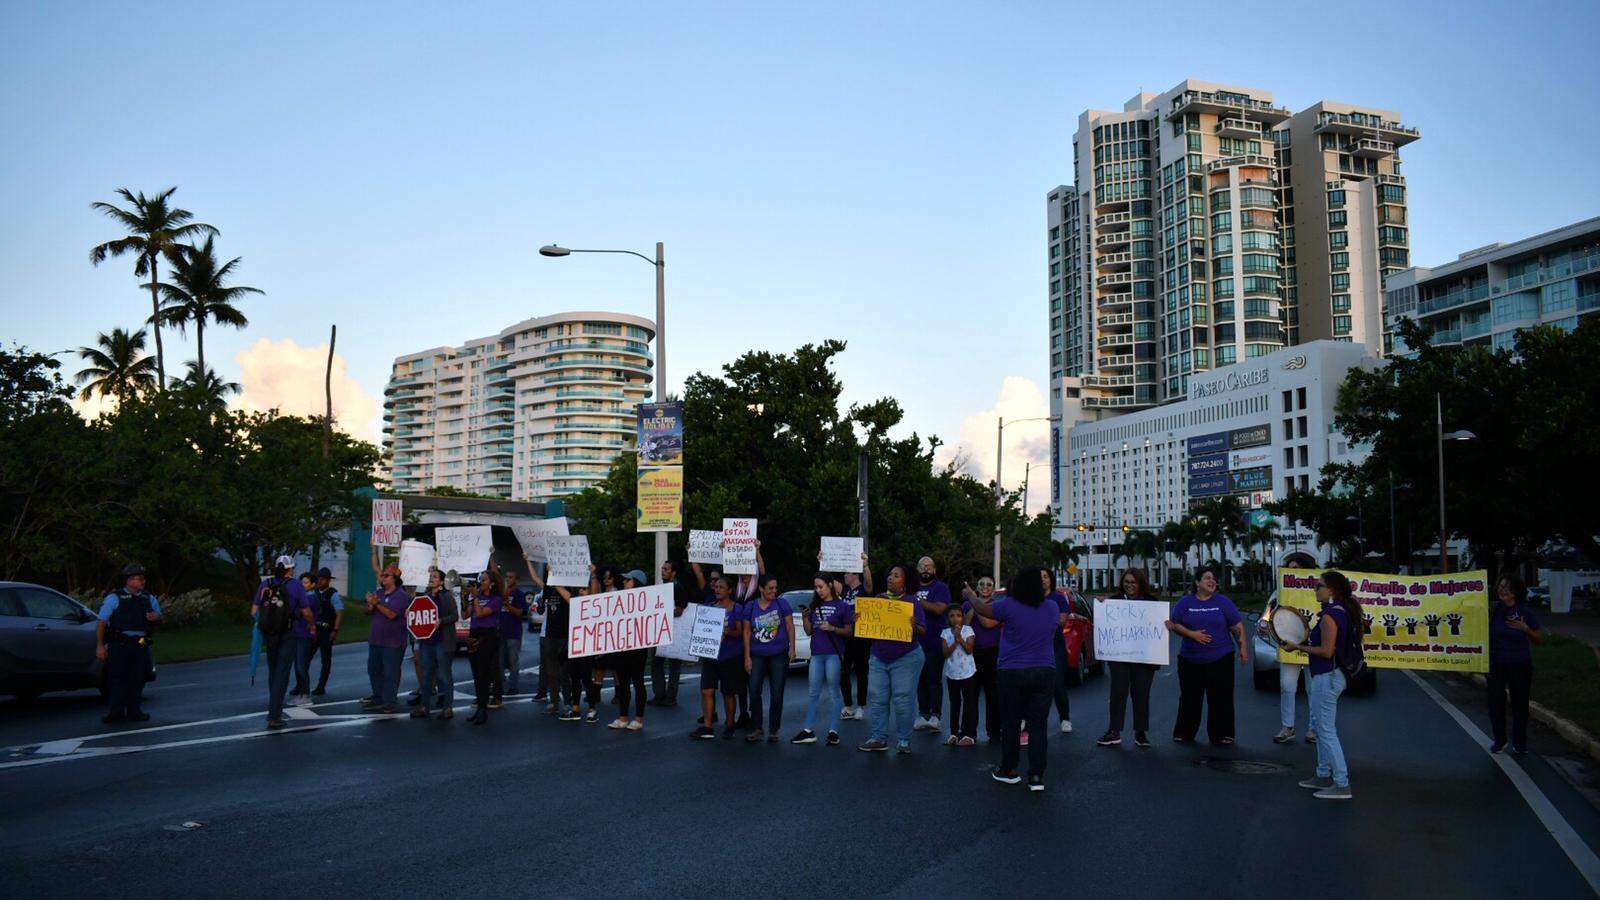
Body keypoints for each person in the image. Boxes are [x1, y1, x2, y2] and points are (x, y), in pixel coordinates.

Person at [967, 567, 1067, 792]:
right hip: (1044, 670)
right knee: (1038, 725)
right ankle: (1036, 776)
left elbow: (983, 609)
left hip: (1012, 670)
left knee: (1011, 722)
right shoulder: (1052, 607)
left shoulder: (1009, 605)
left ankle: (1009, 769)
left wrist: (970, 595)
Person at [1282, 571, 1363, 800]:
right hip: (1330, 675)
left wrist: (1298, 647)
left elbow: (1327, 651)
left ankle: (1341, 783)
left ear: (1332, 590)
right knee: (1320, 727)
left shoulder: (1330, 616)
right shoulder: (1340, 611)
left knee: (1325, 729)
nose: (1315, 589)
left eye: (1319, 586)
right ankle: (1322, 774)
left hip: (1327, 675)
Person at [1166, 567, 1248, 746]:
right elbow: (1174, 624)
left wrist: (1243, 648)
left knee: (1221, 697)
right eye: (1207, 578)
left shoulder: (1223, 602)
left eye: (1214, 579)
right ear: (1197, 582)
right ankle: (1184, 733)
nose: (1212, 581)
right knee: (1190, 698)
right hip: (1190, 659)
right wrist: (1192, 634)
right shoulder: (1185, 602)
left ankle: (1223, 734)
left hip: (1221, 657)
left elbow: (1237, 626)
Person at [858, 564, 927, 755]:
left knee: (902, 699)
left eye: (896, 576)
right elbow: (867, 624)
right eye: (890, 574)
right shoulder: (879, 599)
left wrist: (914, 625)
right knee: (877, 699)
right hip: (879, 657)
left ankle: (904, 740)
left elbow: (923, 630)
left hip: (906, 657)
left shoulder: (911, 602)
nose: (891, 578)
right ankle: (878, 738)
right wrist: (860, 618)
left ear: (905, 582)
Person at [1097, 568, 1161, 749]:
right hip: (1119, 657)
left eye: (1133, 582)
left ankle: (1141, 733)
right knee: (1118, 692)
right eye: (1126, 582)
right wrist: (1101, 605)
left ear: (1140, 583)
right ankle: (1114, 731)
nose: (1129, 585)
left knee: (1141, 694)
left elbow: (1159, 627)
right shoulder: (1113, 601)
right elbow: (1102, 622)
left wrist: (1167, 624)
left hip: (1144, 657)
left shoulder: (1152, 602)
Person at [254, 555, 317, 728]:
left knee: (273, 671)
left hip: (269, 634)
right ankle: (274, 715)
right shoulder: (295, 585)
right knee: (282, 673)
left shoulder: (266, 583)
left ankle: (274, 709)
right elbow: (306, 611)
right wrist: (312, 625)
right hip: (288, 633)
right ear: (290, 569)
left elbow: (254, 610)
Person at [96, 563, 162, 724]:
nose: (141, 582)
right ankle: (116, 711)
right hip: (120, 644)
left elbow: (159, 616)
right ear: (128, 580)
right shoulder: (115, 598)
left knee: (137, 678)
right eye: (138, 579)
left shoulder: (148, 598)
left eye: (142, 579)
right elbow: (102, 622)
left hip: (140, 643)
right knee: (117, 678)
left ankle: (135, 711)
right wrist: (100, 646)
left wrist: (156, 617)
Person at [1486, 573, 1544, 755]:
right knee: (1495, 701)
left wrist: (1525, 629)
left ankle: (1520, 742)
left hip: (1520, 663)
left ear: (1516, 591)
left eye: (1507, 587)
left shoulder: (1525, 613)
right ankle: (1500, 740)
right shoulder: (1494, 610)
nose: (1503, 590)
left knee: (1520, 703)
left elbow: (1538, 639)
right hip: (1496, 662)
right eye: (1501, 586)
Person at [793, 574, 854, 745]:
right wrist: (805, 618)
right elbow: (809, 631)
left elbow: (849, 631)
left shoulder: (842, 606)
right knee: (813, 692)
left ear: (830, 585)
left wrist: (833, 628)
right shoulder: (815, 606)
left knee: (834, 691)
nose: (818, 590)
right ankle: (808, 730)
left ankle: (833, 731)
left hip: (833, 654)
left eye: (821, 586)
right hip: (816, 654)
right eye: (816, 587)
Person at [1259, 559, 1312, 744]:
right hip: (1288, 645)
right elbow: (1269, 613)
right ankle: (1287, 727)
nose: (1292, 572)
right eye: (1289, 569)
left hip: (1312, 647)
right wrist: (1265, 623)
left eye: (1296, 568)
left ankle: (1314, 728)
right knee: (1287, 687)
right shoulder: (1279, 591)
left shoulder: (1317, 589)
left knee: (1314, 689)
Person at [692, 573, 748, 740]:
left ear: (730, 590)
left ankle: (730, 725)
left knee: (728, 693)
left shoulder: (737, 609)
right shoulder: (709, 607)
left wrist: (728, 632)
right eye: (716, 587)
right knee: (707, 690)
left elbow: (741, 632)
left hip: (730, 657)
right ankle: (708, 726)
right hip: (711, 657)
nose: (717, 590)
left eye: (721, 587)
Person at [743, 573, 795, 743]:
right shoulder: (751, 606)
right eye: (770, 588)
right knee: (754, 690)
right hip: (757, 654)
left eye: (775, 588)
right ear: (761, 588)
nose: (774, 591)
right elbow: (746, 632)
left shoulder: (781, 604)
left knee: (777, 692)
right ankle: (757, 727)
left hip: (778, 654)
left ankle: (774, 730)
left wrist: (792, 648)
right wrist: (747, 657)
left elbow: (790, 626)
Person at [362, 561, 410, 715]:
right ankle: (378, 697)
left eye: (386, 575)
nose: (382, 577)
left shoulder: (401, 595)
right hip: (376, 639)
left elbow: (392, 614)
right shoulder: (379, 593)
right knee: (374, 670)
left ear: (395, 579)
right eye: (382, 575)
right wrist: (370, 604)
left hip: (393, 642)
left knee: (390, 673)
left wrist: (376, 603)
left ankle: (389, 702)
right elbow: (367, 612)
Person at [912, 557, 952, 733]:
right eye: (922, 566)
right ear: (917, 570)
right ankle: (923, 714)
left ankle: (935, 715)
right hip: (914, 642)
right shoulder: (912, 587)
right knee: (920, 679)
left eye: (929, 566)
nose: (925, 569)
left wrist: (916, 602)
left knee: (934, 679)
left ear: (934, 570)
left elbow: (939, 609)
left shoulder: (940, 587)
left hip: (934, 640)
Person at [608, 569, 652, 731]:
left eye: (628, 580)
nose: (624, 582)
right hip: (621, 646)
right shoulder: (619, 599)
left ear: (637, 583)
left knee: (638, 682)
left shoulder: (646, 601)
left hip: (638, 647)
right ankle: (623, 717)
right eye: (625, 580)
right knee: (623, 683)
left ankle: (639, 719)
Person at [960, 576, 1002, 743]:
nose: (985, 587)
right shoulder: (966, 605)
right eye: (981, 584)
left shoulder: (998, 605)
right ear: (976, 587)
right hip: (971, 653)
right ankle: (968, 732)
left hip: (993, 652)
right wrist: (974, 603)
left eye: (989, 584)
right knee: (970, 694)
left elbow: (988, 623)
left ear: (993, 588)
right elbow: (963, 625)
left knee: (993, 694)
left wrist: (975, 602)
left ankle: (994, 732)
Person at [649, 559, 695, 707]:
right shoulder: (664, 587)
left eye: (666, 569)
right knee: (659, 663)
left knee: (672, 664)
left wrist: (662, 613)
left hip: (674, 631)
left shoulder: (677, 587)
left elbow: (679, 611)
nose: (663, 571)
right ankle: (662, 695)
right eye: (662, 568)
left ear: (673, 572)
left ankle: (668, 697)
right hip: (662, 630)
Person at [414, 568, 459, 720]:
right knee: (427, 675)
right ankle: (424, 707)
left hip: (443, 642)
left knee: (444, 675)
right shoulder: (425, 597)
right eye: (430, 576)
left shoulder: (446, 596)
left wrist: (442, 621)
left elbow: (455, 616)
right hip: (427, 641)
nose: (431, 578)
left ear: (441, 581)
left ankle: (447, 708)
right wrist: (411, 613)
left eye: (434, 577)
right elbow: (419, 615)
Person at [835, 554, 874, 721]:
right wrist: (823, 561)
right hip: (846, 636)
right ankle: (848, 706)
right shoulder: (844, 590)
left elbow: (869, 583)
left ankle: (861, 706)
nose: (844, 575)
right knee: (843, 671)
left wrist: (865, 566)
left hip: (861, 636)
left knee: (861, 672)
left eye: (847, 573)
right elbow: (828, 579)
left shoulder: (863, 589)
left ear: (855, 575)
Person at [465, 569, 505, 725]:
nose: (480, 582)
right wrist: (465, 598)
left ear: (492, 584)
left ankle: (483, 709)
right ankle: (479, 708)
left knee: (484, 674)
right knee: (476, 673)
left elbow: (481, 614)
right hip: (474, 634)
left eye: (484, 580)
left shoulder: (496, 599)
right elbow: (465, 615)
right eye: (480, 579)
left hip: (487, 636)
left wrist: (475, 597)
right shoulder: (477, 596)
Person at [1044, 569, 1076, 736]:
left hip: (1055, 645)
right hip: (1034, 647)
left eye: (1045, 577)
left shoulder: (1058, 598)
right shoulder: (1031, 598)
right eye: (1039, 577)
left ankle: (1065, 718)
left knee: (1057, 684)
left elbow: (1062, 621)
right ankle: (1026, 719)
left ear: (1051, 579)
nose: (1042, 580)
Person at [941, 606, 978, 747]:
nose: (955, 618)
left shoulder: (968, 630)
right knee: (954, 703)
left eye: (958, 615)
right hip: (952, 673)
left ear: (962, 617)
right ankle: (954, 733)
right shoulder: (945, 633)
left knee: (969, 703)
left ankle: (968, 733)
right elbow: (945, 653)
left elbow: (969, 649)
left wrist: (959, 637)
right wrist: (955, 641)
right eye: (952, 616)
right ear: (948, 619)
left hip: (968, 672)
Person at [308, 567, 343, 697]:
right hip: (314, 630)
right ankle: (301, 685)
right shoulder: (314, 592)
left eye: (323, 579)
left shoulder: (333, 594)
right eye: (319, 578)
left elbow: (339, 613)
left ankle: (321, 686)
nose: (320, 581)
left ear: (328, 580)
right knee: (305, 658)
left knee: (325, 660)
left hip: (326, 631)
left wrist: (335, 630)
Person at [499, 568, 528, 701]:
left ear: (516, 580)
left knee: (513, 661)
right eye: (506, 577)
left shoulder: (519, 594)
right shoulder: (501, 593)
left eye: (511, 577)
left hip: (513, 632)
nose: (508, 579)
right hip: (501, 632)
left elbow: (520, 613)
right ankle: (499, 685)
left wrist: (508, 605)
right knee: (499, 661)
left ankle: (513, 686)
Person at [290, 572, 317, 702]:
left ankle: (305, 694)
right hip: (297, 633)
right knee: (297, 664)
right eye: (301, 582)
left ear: (312, 585)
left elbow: (302, 612)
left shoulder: (310, 598)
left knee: (301, 665)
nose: (302, 584)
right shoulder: (302, 597)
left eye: (306, 582)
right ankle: (300, 691)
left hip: (305, 634)